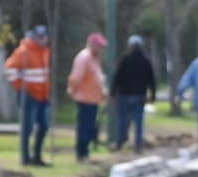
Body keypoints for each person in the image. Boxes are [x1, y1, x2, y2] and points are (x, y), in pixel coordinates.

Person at [4, 25, 51, 167]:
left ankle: (37, 156)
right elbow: (9, 70)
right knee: (28, 127)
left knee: (44, 126)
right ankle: (26, 158)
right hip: (29, 95)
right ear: (34, 36)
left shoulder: (44, 51)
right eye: (39, 36)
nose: (42, 39)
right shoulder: (24, 51)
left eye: (44, 36)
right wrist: (21, 86)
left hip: (42, 95)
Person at [109, 35, 157, 152]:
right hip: (139, 96)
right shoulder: (145, 61)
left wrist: (113, 92)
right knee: (139, 121)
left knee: (122, 120)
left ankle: (120, 142)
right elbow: (152, 80)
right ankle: (138, 145)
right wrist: (153, 95)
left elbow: (117, 77)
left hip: (124, 95)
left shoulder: (124, 59)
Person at [65, 33, 108, 163]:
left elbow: (98, 78)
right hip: (85, 98)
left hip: (93, 99)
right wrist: (72, 90)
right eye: (99, 46)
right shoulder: (84, 58)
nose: (101, 49)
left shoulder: (95, 59)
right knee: (85, 127)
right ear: (92, 45)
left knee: (90, 127)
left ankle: (86, 152)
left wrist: (103, 92)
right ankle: (81, 153)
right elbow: (76, 77)